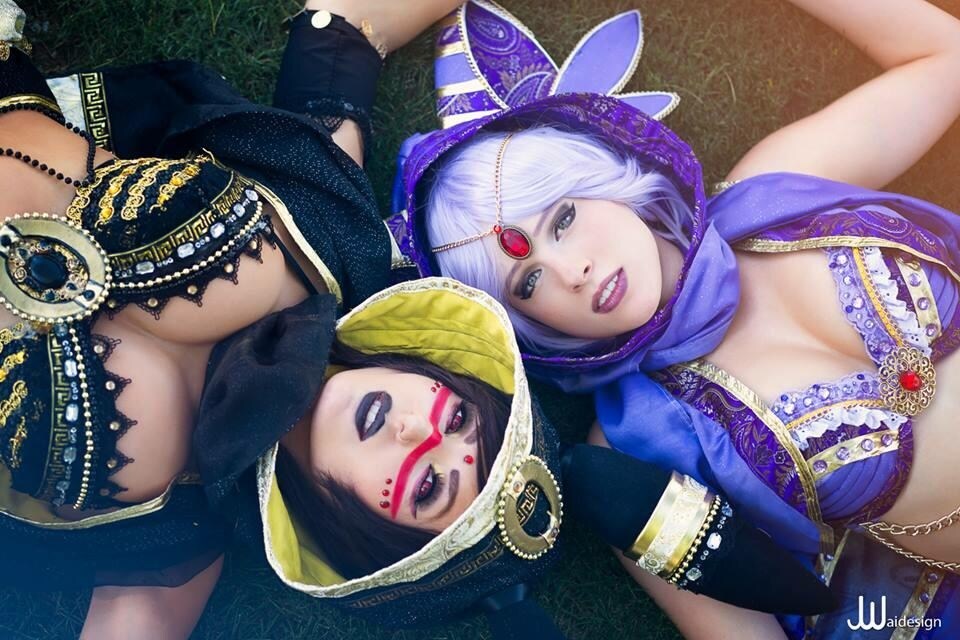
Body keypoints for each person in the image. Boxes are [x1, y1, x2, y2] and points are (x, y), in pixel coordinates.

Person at [395, 0, 960, 637]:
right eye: (528, 281)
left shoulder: (777, 188)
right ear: (530, 325)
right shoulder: (633, 452)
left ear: (605, 178)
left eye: (564, 218)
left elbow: (945, 59)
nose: (572, 270)